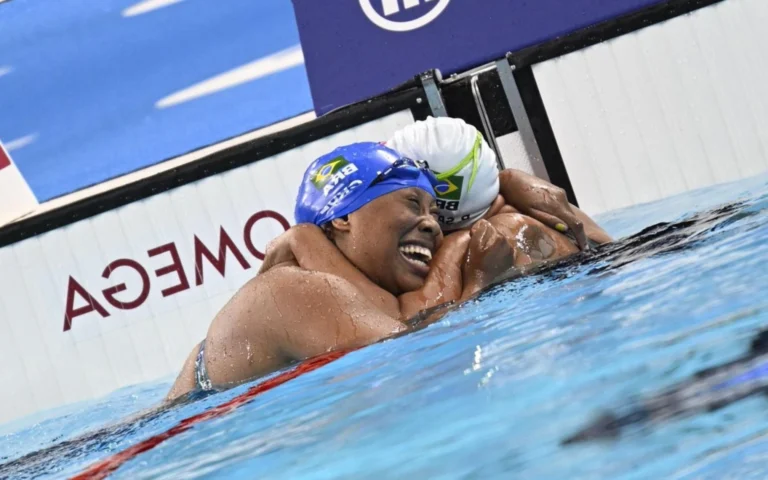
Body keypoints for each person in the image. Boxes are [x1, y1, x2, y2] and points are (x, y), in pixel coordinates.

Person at [166, 142, 514, 401]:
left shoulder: (353, 293)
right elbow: (417, 367)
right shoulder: (293, 288)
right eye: (412, 203)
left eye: (436, 214)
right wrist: (479, 280)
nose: (432, 226)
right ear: (343, 216)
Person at [259, 117, 613, 316]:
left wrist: (303, 238)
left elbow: (402, 325)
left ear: (438, 202)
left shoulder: (469, 244)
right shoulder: (535, 211)